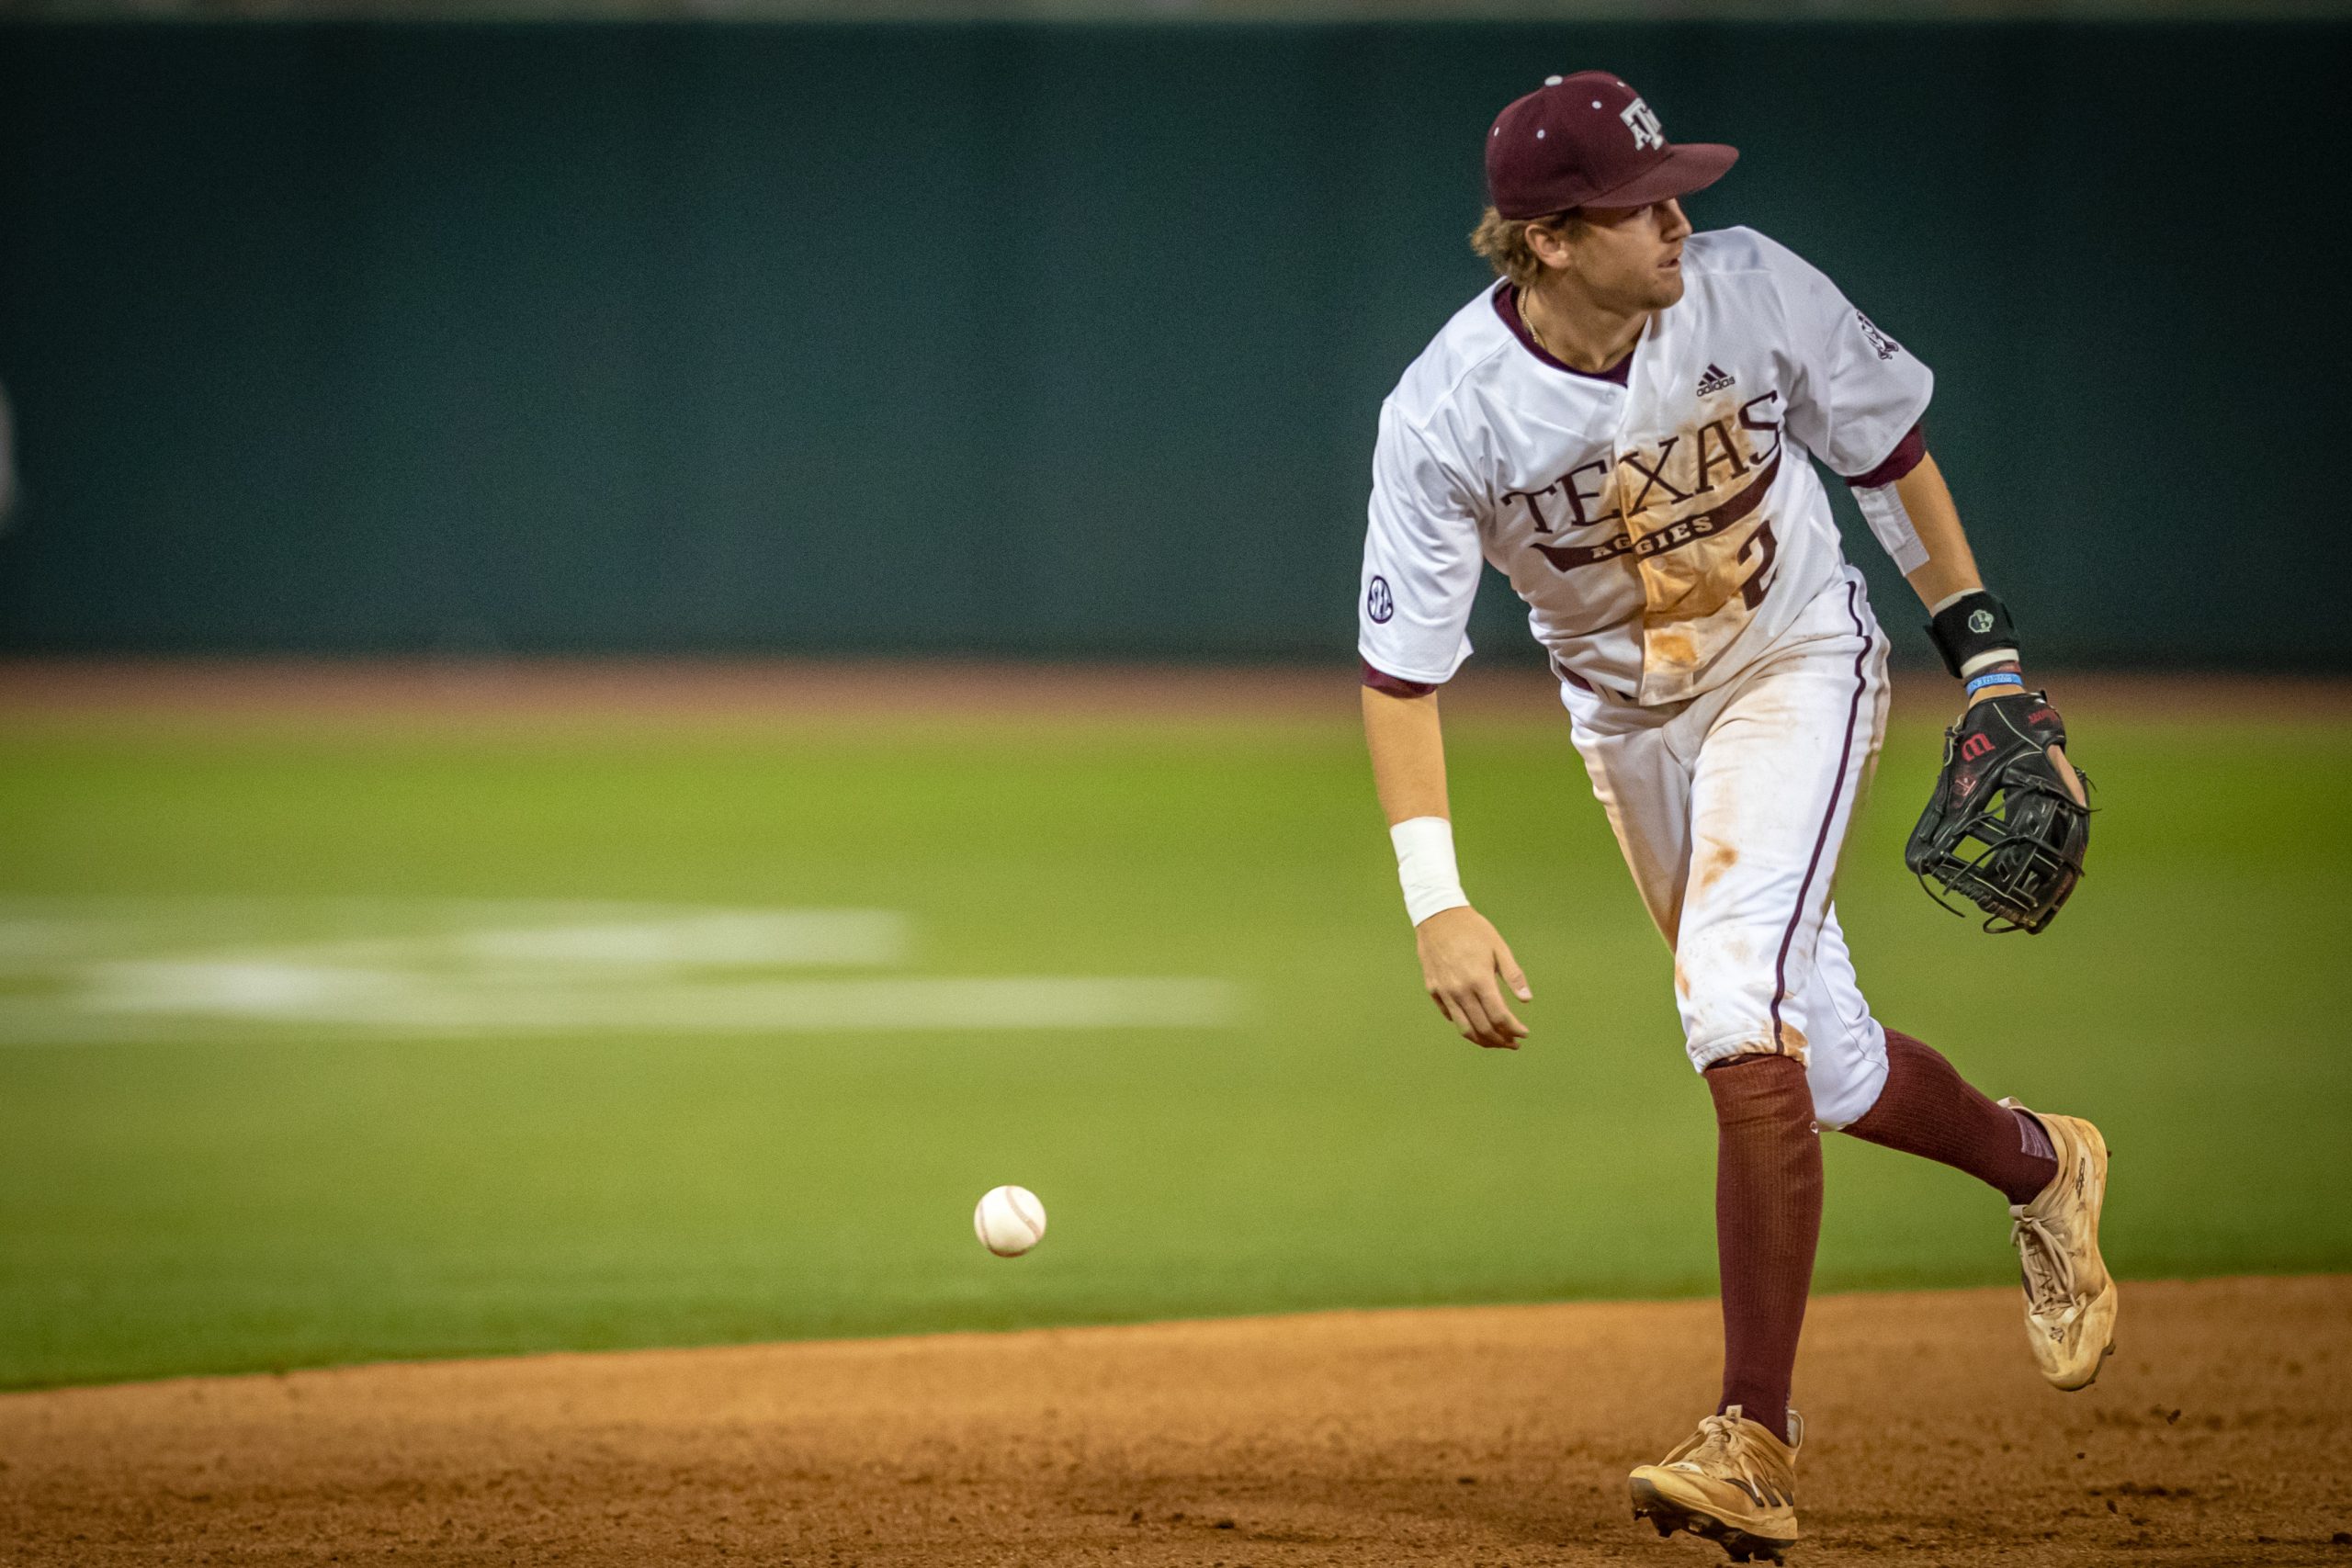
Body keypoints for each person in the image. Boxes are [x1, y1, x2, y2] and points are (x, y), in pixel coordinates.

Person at [1355, 71, 2112, 1564]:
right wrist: (1433, 898)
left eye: (1677, 188)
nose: (1679, 219)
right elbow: (1400, 675)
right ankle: (2044, 1164)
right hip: (1626, 719)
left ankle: (1754, 1440)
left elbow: (1887, 456)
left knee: (1725, 996)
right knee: (1809, 1057)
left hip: (1796, 664)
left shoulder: (1749, 289)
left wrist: (1992, 662)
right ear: (1554, 240)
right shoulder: (1448, 411)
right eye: (1644, 205)